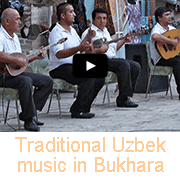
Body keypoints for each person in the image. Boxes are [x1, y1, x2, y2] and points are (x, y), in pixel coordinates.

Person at [0, 8, 53, 131]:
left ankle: (28, 114)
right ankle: (29, 120)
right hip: (2, 76)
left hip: (15, 74)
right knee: (26, 81)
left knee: (47, 81)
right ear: (7, 21)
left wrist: (35, 56)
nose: (20, 22)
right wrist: (17, 60)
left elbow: (19, 62)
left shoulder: (15, 38)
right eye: (18, 19)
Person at [48, 3, 104, 118]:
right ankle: (78, 110)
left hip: (75, 65)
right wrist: (79, 48)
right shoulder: (56, 32)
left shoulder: (72, 30)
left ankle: (81, 107)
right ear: (63, 15)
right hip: (60, 67)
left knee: (100, 75)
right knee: (88, 74)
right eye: (71, 12)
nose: (74, 14)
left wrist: (88, 37)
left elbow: (80, 46)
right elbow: (59, 54)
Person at [81, 8, 141, 107]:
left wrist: (124, 41)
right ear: (93, 20)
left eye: (104, 18)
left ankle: (124, 97)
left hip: (110, 60)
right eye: (99, 18)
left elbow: (114, 49)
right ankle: (124, 99)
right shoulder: (88, 33)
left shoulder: (105, 31)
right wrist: (98, 51)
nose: (102, 21)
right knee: (123, 64)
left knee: (135, 66)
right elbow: (85, 52)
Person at [150, 7, 180, 98]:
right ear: (159, 18)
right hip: (160, 59)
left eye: (169, 14)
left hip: (171, 55)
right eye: (166, 15)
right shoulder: (156, 29)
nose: (170, 17)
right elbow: (155, 36)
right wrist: (171, 42)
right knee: (178, 63)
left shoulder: (171, 29)